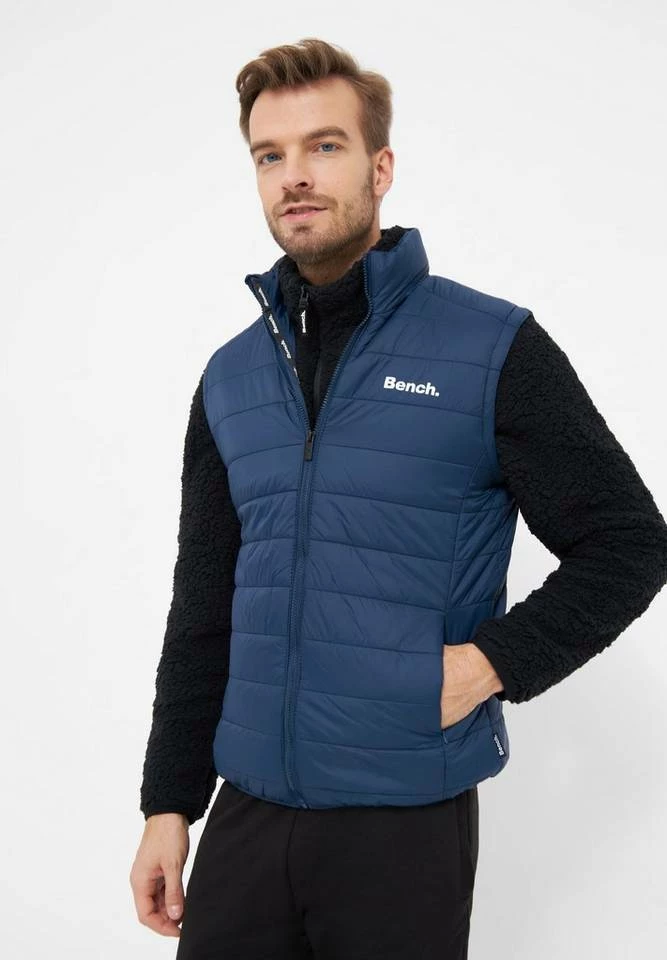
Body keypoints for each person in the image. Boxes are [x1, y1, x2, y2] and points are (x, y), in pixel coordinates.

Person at [129, 37, 667, 959]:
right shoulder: (230, 377)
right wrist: (168, 804)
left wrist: (490, 664)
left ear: (380, 168)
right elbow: (204, 603)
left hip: (401, 824)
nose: (295, 176)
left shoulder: (489, 347)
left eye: (324, 145)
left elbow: (628, 541)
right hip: (247, 814)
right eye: (270, 155)